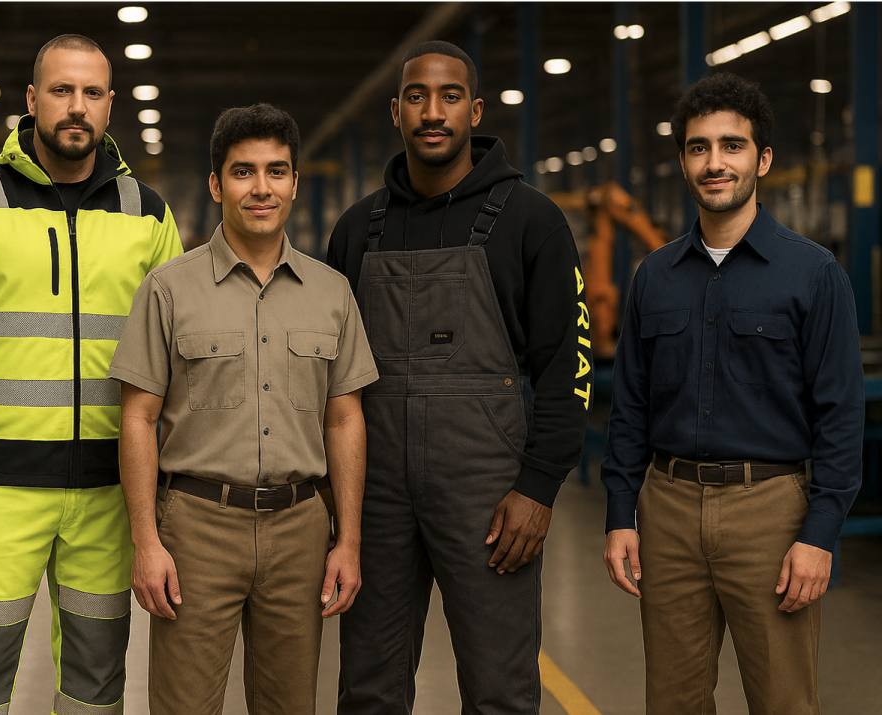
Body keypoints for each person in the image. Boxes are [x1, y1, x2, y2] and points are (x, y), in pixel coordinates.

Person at [0, 34, 182, 715]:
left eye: (90, 93)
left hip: (112, 493)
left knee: (96, 674)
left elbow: (179, 354)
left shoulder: (148, 216)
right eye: (61, 90)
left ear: (110, 105)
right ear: (32, 100)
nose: (75, 107)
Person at [326, 41, 592, 714]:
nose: (432, 111)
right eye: (417, 96)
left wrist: (538, 486)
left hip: (489, 493)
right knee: (368, 689)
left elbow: (570, 367)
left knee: (499, 689)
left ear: (474, 110)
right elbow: (332, 381)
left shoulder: (533, 221)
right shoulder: (359, 230)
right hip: (377, 492)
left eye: (449, 97)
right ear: (396, 111)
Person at [601, 73, 863, 715]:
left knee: (782, 700)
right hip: (666, 509)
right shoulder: (653, 277)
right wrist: (619, 514)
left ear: (763, 158)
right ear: (684, 160)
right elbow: (630, 405)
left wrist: (819, 535)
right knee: (674, 700)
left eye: (732, 146)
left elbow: (840, 415)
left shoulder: (814, 274)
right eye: (698, 147)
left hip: (771, 513)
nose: (714, 162)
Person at [109, 103, 378, 715]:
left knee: (289, 705)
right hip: (196, 530)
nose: (261, 188)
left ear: (294, 182)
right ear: (215, 183)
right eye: (243, 172)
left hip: (301, 530)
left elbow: (344, 420)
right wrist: (146, 542)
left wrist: (349, 540)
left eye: (276, 171)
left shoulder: (332, 293)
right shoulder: (169, 290)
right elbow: (137, 418)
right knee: (184, 705)